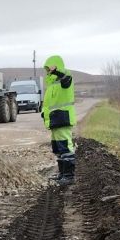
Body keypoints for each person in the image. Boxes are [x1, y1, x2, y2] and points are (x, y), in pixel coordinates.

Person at [42, 54, 76, 186]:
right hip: (55, 119)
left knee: (65, 147)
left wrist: (57, 70)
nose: (47, 71)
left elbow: (66, 77)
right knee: (58, 148)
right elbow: (49, 104)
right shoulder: (51, 84)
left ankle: (68, 176)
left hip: (63, 117)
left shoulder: (65, 78)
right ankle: (62, 174)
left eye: (48, 68)